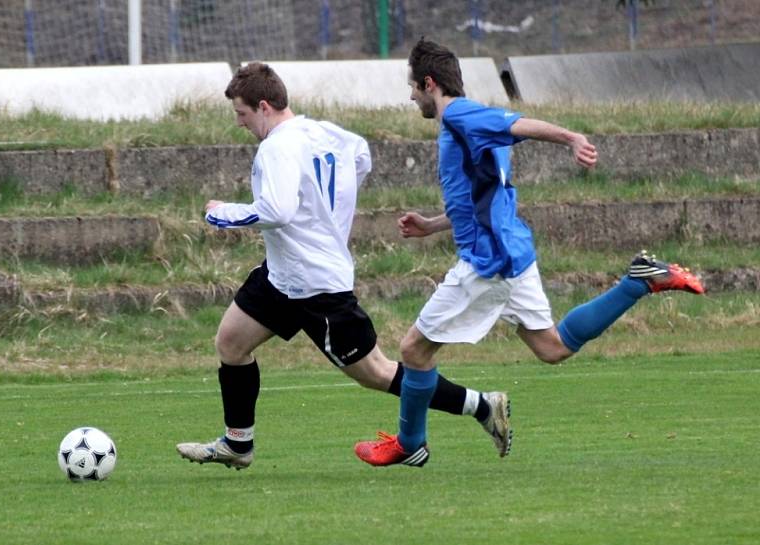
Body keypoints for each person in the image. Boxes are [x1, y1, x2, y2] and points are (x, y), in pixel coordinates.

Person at [354, 38, 704, 468]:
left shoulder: (460, 114)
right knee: (553, 347)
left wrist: (571, 137)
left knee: (413, 350)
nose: (410, 96)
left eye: (412, 86)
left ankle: (411, 444)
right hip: (511, 250)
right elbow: (477, 200)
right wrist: (432, 224)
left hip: (489, 261)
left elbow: (520, 124)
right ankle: (638, 281)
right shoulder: (470, 127)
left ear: (430, 83)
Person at [175, 62, 512, 470]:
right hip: (282, 275)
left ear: (263, 106)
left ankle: (481, 406)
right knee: (231, 341)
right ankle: (237, 444)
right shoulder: (327, 132)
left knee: (376, 372)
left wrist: (222, 213)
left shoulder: (277, 146)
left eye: (241, 114)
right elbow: (360, 156)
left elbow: (277, 211)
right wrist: (330, 214)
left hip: (317, 285)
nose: (240, 123)